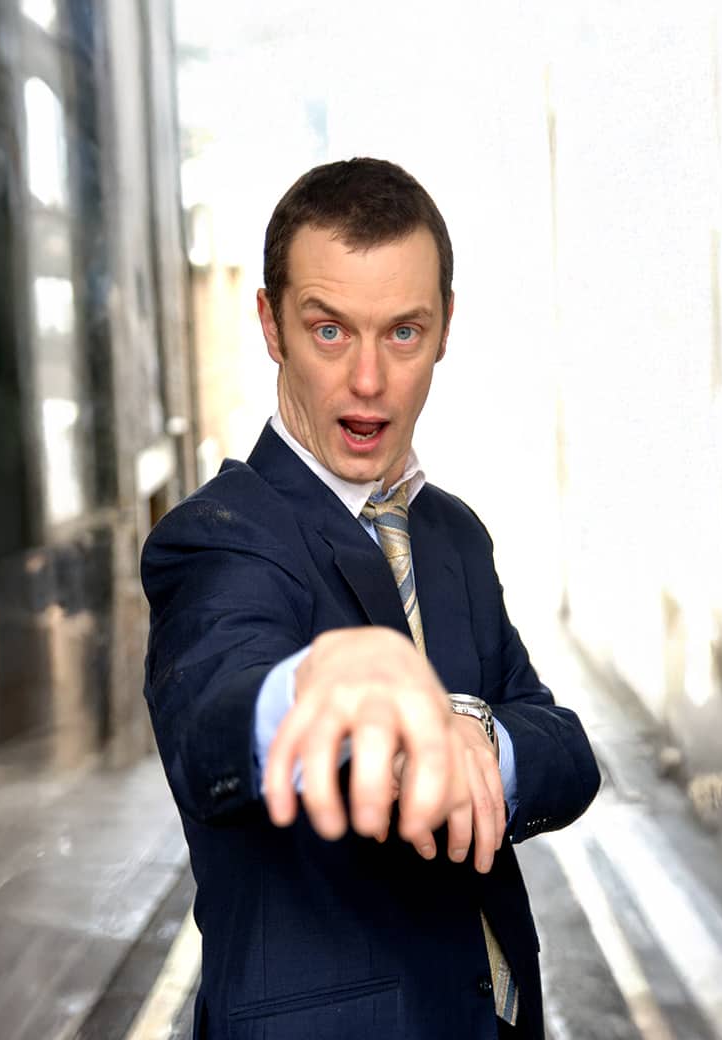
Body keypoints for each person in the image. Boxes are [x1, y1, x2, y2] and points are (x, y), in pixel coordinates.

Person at [141, 157, 600, 1040]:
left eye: (402, 333)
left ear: (445, 328)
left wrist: (478, 740)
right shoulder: (218, 538)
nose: (366, 379)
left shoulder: (453, 535)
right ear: (271, 325)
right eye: (329, 331)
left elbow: (564, 749)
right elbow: (210, 717)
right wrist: (309, 687)